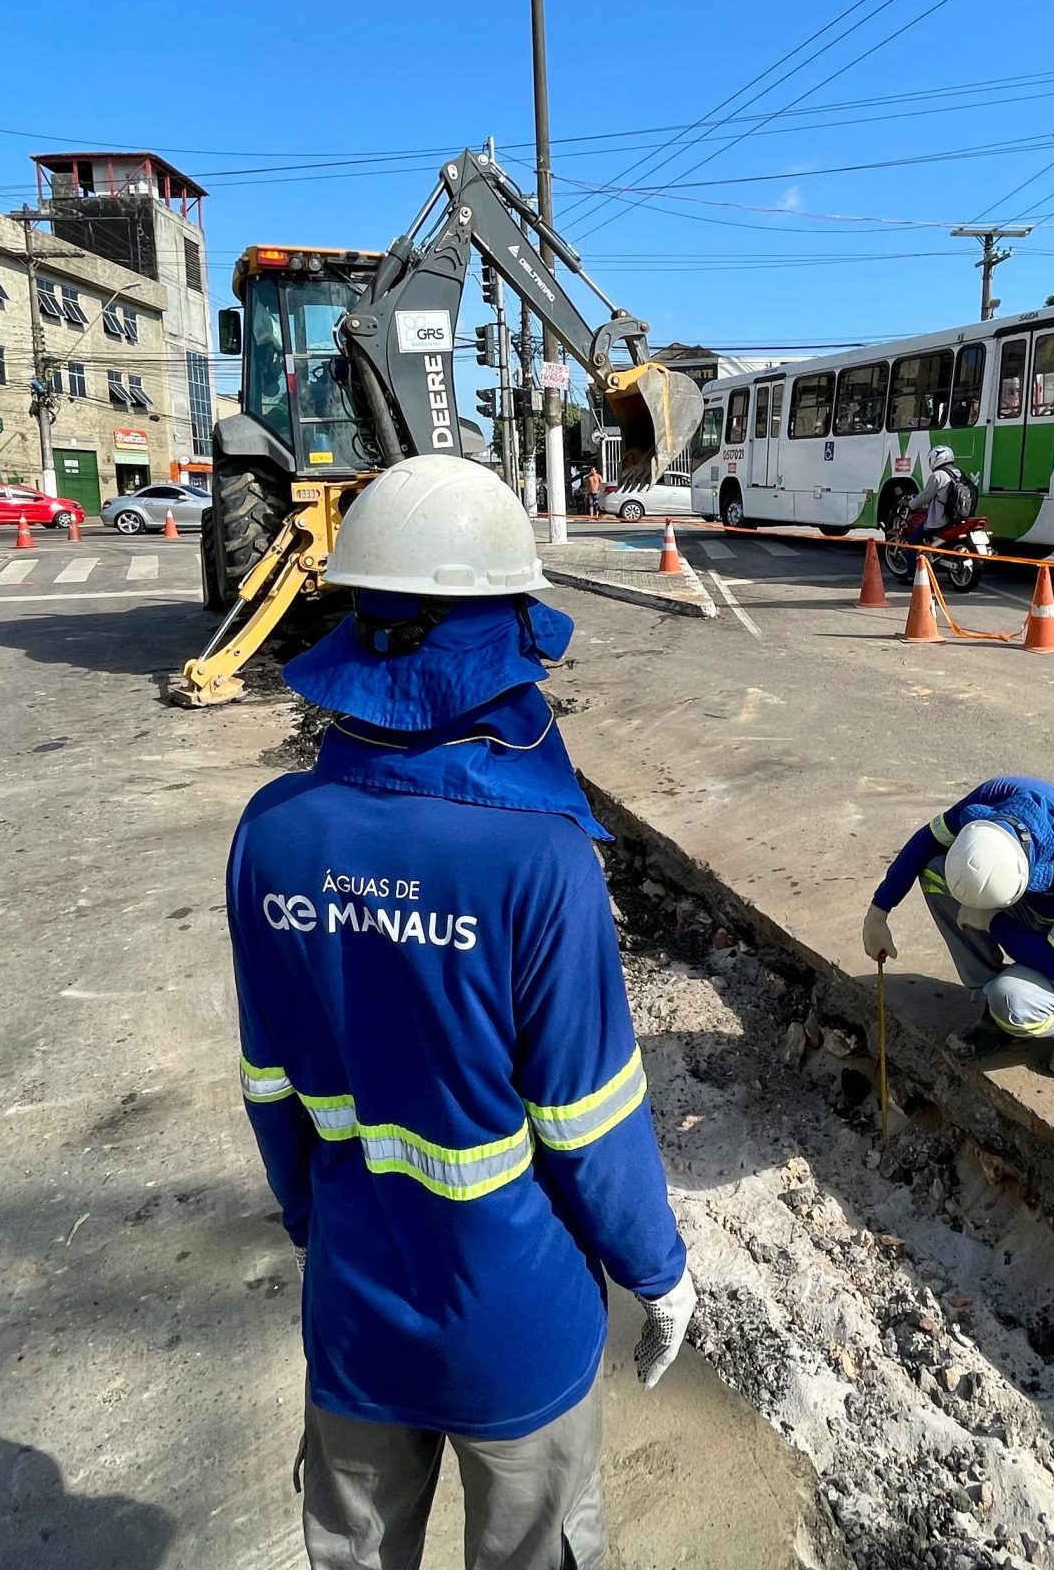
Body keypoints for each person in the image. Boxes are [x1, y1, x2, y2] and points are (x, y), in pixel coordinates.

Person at [227, 453, 693, 1570]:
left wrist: (318, 1224)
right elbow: (587, 1121)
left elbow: (269, 1086)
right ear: (502, 636)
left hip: (351, 1311)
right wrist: (656, 1269)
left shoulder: (272, 828)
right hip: (514, 1325)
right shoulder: (539, 859)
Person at [861, 776, 1054, 1081]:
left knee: (1013, 1000)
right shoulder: (998, 795)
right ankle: (991, 1008)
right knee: (938, 871)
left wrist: (992, 922)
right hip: (1046, 917)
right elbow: (926, 842)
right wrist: (878, 912)